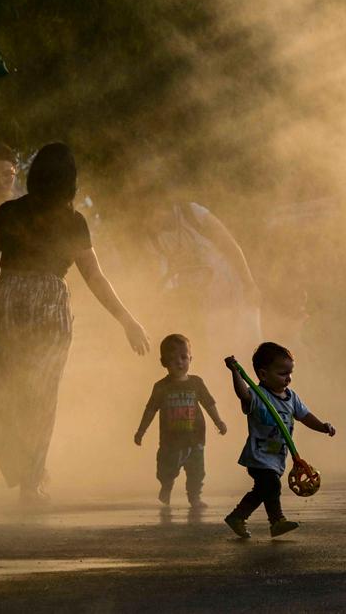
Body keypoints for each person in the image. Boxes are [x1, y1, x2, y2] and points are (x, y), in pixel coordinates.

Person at [0, 142, 150, 504]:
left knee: (6, 387)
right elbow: (95, 277)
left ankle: (16, 465)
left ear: (33, 176)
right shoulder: (73, 221)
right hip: (50, 304)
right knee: (42, 395)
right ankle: (32, 481)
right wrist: (127, 320)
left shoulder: (9, 211)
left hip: (9, 300)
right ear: (70, 181)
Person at [223, 342, 335, 539]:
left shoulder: (291, 397)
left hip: (276, 457)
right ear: (264, 374)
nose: (288, 378)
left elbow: (305, 416)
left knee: (262, 491)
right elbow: (242, 393)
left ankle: (237, 516)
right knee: (272, 486)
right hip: (258, 456)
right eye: (282, 373)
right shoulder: (258, 396)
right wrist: (235, 372)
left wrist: (322, 426)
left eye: (290, 373)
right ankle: (277, 521)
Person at [148, 201, 262, 358]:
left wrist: (249, 283)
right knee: (220, 351)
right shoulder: (156, 238)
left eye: (154, 213)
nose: (153, 221)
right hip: (204, 303)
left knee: (251, 345)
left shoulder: (192, 213)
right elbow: (164, 279)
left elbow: (230, 245)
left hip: (231, 287)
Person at [134, 333, 227, 507]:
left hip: (195, 438)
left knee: (197, 471)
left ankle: (195, 497)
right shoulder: (161, 387)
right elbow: (150, 410)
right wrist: (141, 431)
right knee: (166, 469)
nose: (179, 362)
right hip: (171, 442)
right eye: (173, 358)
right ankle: (166, 486)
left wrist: (219, 421)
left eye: (184, 357)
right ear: (164, 362)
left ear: (191, 358)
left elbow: (209, 404)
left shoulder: (196, 383)